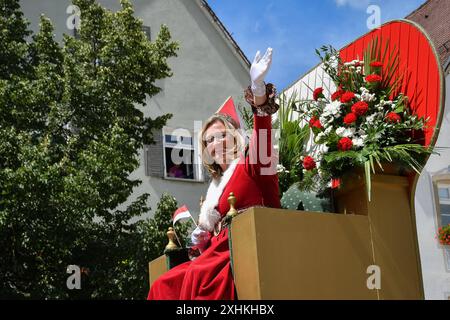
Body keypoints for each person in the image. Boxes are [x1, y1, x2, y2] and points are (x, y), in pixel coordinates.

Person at [147, 48, 280, 300]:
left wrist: (259, 90)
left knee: (199, 276)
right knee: (163, 285)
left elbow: (263, 136)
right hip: (215, 255)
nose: (215, 144)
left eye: (221, 136)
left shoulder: (253, 165)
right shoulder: (215, 186)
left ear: (235, 138)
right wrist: (203, 237)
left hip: (248, 249)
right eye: (208, 140)